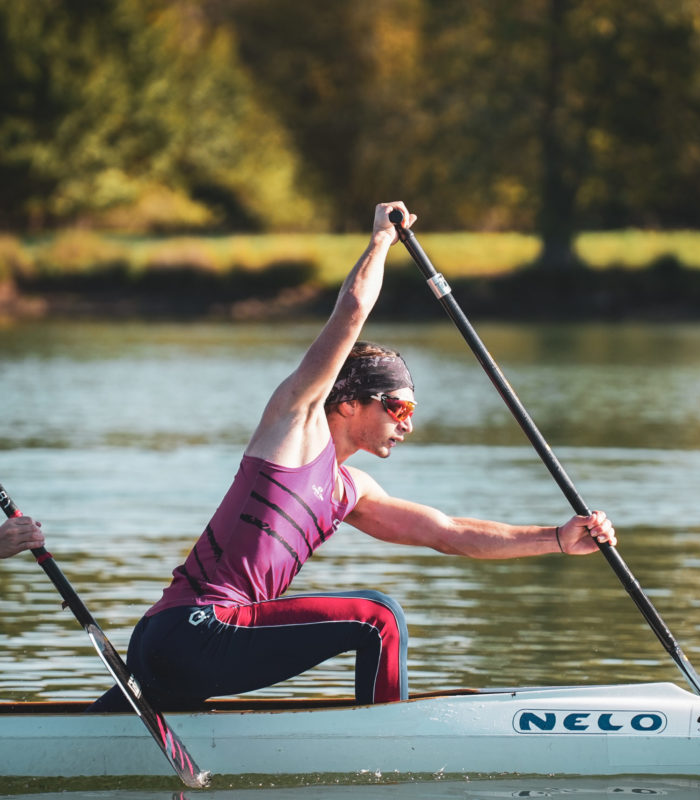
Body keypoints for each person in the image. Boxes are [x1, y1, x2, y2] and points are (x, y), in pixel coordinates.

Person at [90, 201, 616, 712]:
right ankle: (391, 748)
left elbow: (449, 534)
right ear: (347, 403)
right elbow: (352, 311)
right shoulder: (294, 426)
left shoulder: (350, 489)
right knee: (378, 617)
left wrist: (557, 539)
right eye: (397, 406)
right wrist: (383, 239)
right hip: (196, 629)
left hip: (179, 649)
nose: (407, 422)